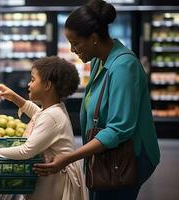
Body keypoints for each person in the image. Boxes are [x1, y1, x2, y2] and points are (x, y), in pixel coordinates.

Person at [33, 1, 160, 200]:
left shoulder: (124, 67)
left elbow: (119, 129)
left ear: (93, 38)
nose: (72, 49)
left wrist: (69, 158)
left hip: (125, 160)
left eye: (75, 43)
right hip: (105, 157)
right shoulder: (99, 62)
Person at [0, 56, 87, 200]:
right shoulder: (53, 108)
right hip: (53, 176)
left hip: (56, 183)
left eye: (32, 80)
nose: (28, 84)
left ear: (47, 85)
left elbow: (26, 150)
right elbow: (37, 113)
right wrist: (14, 97)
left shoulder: (52, 116)